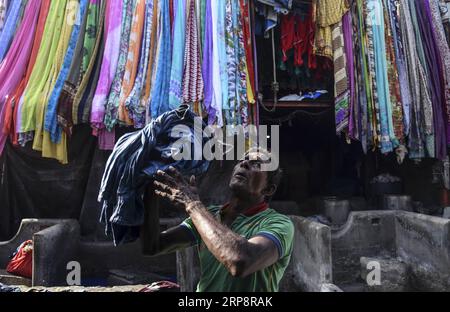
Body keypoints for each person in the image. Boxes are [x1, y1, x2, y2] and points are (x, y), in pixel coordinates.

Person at [147, 149, 294, 292]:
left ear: (268, 189)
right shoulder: (210, 215)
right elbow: (152, 245)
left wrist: (192, 205)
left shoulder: (279, 224)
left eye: (256, 164)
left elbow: (240, 262)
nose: (244, 164)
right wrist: (149, 190)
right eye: (242, 160)